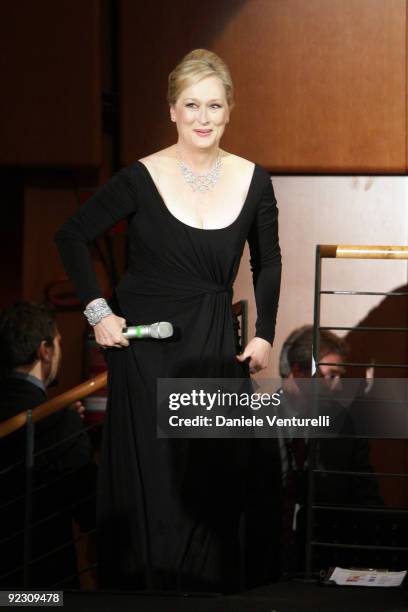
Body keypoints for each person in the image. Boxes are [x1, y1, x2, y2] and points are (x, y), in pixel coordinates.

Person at [55, 48, 281, 592]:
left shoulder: (254, 180)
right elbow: (70, 235)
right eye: (192, 104)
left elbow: (269, 260)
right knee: (154, 484)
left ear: (229, 112)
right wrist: (97, 311)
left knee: (209, 484)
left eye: (215, 105)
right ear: (172, 110)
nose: (203, 117)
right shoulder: (141, 177)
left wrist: (265, 332)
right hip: (144, 354)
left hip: (211, 348)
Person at [0, 301, 97, 588]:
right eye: (58, 344)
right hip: (39, 580)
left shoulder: (58, 418)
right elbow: (89, 505)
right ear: (45, 350)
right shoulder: (57, 420)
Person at [277, 325, 382, 575]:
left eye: (340, 377)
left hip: (325, 563)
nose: (337, 387)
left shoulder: (346, 427)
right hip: (258, 563)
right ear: (299, 371)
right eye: (331, 375)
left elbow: (365, 496)